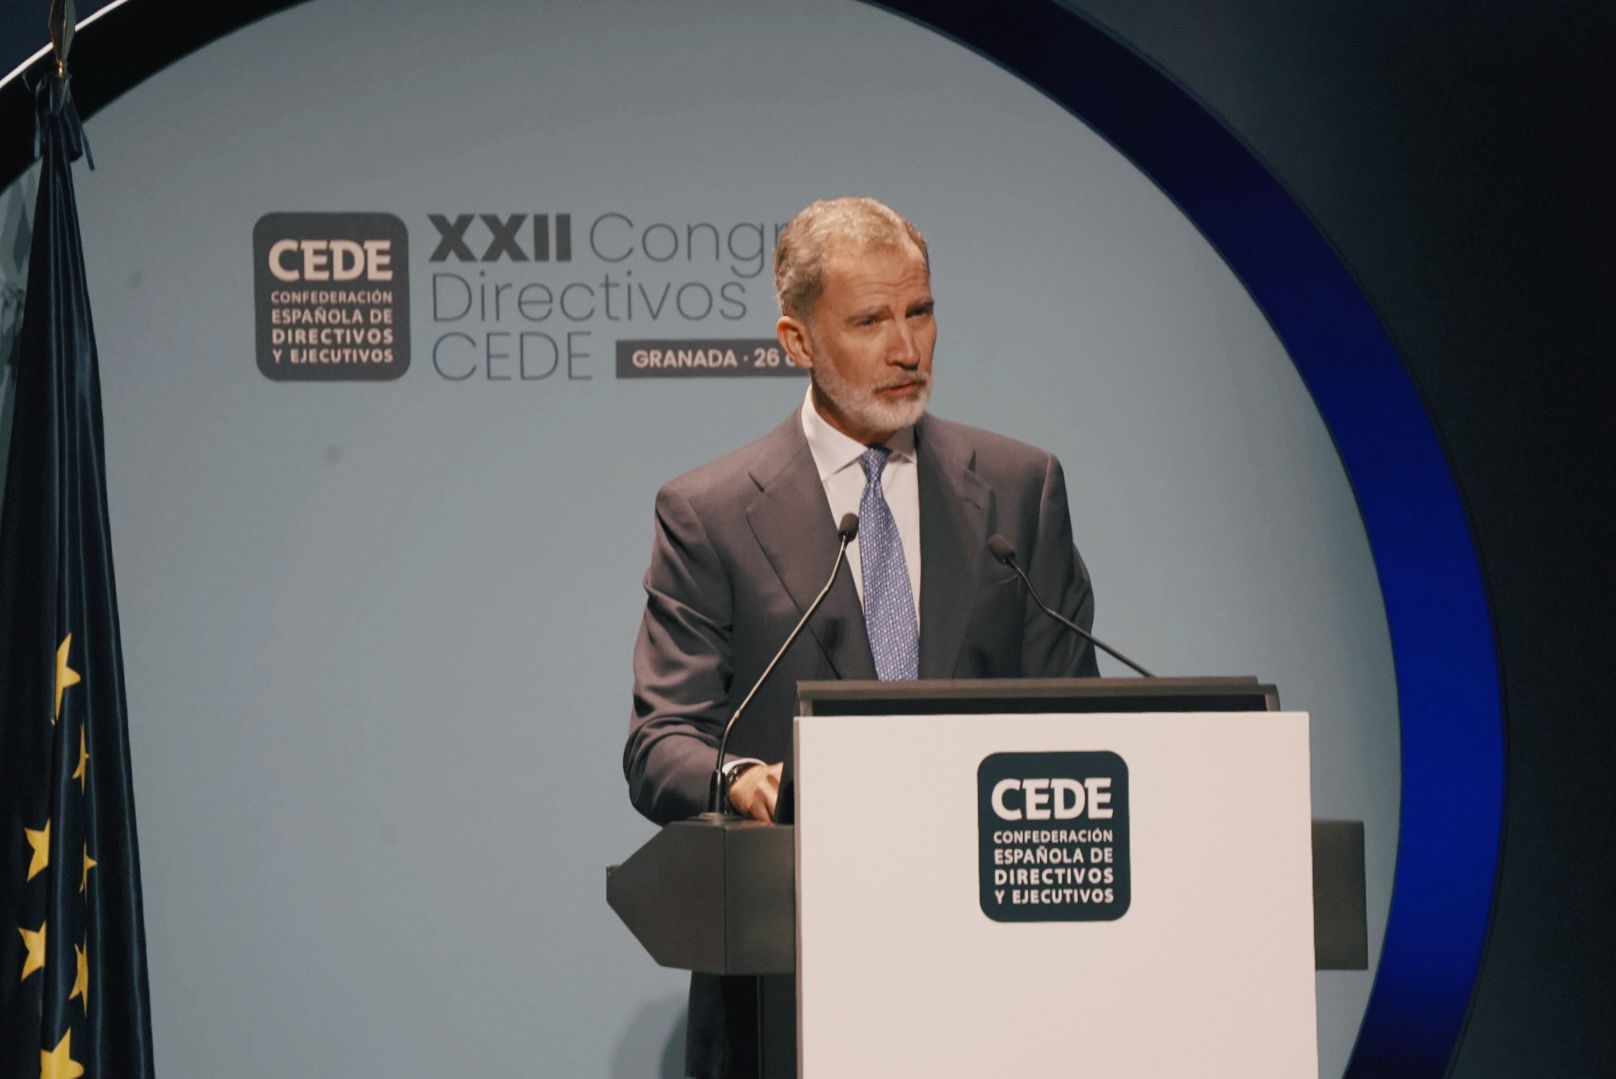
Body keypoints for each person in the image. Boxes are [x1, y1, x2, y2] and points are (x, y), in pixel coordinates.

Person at [623, 196, 1099, 1077]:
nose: (907, 348)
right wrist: (740, 778)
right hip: (791, 978)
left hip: (996, 974)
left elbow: (1076, 723)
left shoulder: (1020, 488)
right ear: (797, 340)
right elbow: (661, 742)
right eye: (871, 321)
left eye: (921, 311)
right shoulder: (710, 514)